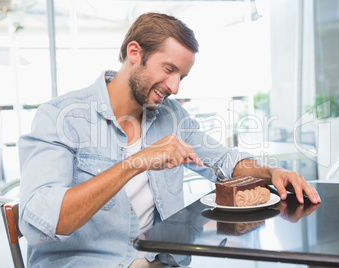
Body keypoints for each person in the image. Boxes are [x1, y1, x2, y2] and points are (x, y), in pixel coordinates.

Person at [18, 12, 321, 268]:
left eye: (182, 77)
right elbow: (42, 223)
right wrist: (136, 162)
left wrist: (272, 173)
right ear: (134, 53)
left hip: (161, 261)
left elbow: (225, 161)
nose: (174, 87)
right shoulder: (61, 117)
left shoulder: (171, 116)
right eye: (169, 69)